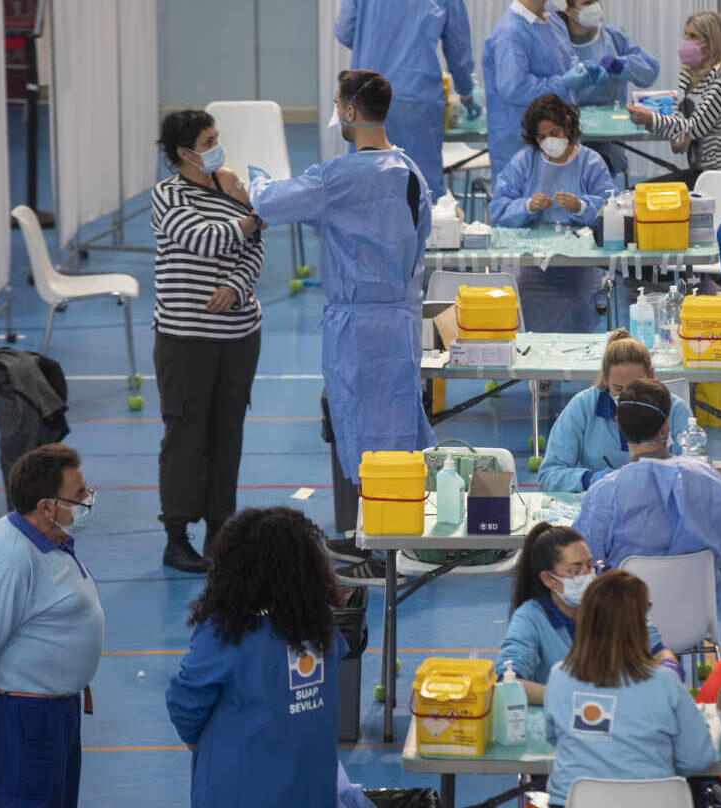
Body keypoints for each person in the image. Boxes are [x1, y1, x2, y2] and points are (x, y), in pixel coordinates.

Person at [248, 70, 437, 585]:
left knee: (369, 438)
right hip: (398, 317)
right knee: (392, 430)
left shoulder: (337, 175)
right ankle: (368, 534)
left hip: (358, 324)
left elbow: (269, 202)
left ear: (350, 112)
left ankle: (385, 551)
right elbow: (409, 237)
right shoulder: (410, 173)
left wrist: (253, 177)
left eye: (336, 105)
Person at [0, 444, 105, 808]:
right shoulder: (12, 561)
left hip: (57, 713)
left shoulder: (47, 540)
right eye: (79, 494)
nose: (88, 499)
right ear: (47, 507)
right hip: (28, 721)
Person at [166, 507, 346, 808]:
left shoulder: (227, 632)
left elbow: (186, 700)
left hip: (241, 787)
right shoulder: (320, 624)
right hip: (311, 785)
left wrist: (199, 742)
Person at [150, 110, 265, 574]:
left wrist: (237, 287)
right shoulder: (166, 195)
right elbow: (202, 239)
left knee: (227, 436)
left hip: (238, 336)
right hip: (185, 339)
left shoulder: (230, 182)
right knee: (185, 436)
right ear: (183, 152)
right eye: (208, 139)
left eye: (218, 136)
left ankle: (222, 532)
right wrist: (254, 220)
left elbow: (256, 249)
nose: (218, 146)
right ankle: (176, 539)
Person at [544, 570, 715, 807]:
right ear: (638, 622)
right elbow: (697, 759)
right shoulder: (664, 682)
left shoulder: (559, 676)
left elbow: (554, 737)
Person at [572, 378, 721, 570]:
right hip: (698, 598)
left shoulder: (604, 492)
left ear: (619, 425)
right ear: (666, 425)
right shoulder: (709, 478)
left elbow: (586, 558)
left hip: (628, 597)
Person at [496, 523, 678, 704]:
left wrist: (668, 665)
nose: (587, 575)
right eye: (575, 570)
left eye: (589, 566)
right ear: (548, 579)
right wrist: (573, 697)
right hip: (558, 719)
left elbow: (657, 649)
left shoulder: (610, 603)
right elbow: (507, 682)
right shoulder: (531, 617)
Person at [489, 94, 618, 333]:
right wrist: (527, 206)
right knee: (523, 307)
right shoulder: (525, 162)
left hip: (580, 264)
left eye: (555, 133)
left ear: (568, 124)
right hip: (531, 263)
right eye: (542, 137)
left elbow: (614, 209)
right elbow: (497, 210)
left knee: (578, 308)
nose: (549, 141)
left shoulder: (590, 162)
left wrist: (581, 206)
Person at [335, 0, 478, 201]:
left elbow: (345, 31)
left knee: (367, 184)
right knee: (419, 188)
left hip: (367, 95)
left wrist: (376, 43)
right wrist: (466, 91)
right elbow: (458, 46)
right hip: (417, 97)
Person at [537, 330, 694, 493]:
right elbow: (549, 475)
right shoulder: (583, 407)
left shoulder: (675, 410)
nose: (627, 397)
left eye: (636, 387)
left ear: (651, 375)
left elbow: (691, 474)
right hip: (600, 502)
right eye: (618, 389)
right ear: (605, 378)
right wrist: (590, 479)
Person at [483, 0, 609, 182]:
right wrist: (563, 83)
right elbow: (515, 89)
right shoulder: (511, 32)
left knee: (566, 199)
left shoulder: (552, 18)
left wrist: (585, 71)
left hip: (561, 134)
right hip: (524, 140)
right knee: (525, 203)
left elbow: (565, 62)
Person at [626, 11, 721, 186]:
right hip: (702, 172)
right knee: (638, 192)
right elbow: (682, 118)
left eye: (693, 36)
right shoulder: (689, 74)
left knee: (637, 193)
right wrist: (677, 138)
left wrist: (651, 119)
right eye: (685, 35)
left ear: (712, 43)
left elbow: (696, 127)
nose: (686, 42)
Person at [558, 0, 660, 178]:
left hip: (609, 136)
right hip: (566, 133)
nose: (594, 7)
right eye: (587, 3)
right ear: (570, 11)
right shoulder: (556, 42)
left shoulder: (612, 37)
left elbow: (649, 71)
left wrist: (619, 65)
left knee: (594, 170)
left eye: (596, 1)